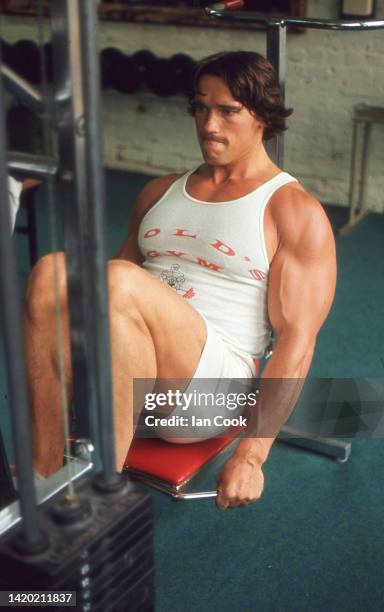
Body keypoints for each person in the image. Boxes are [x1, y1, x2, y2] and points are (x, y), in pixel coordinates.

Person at [24, 51, 336, 510]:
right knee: (52, 271)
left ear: (263, 117)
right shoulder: (160, 191)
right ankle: (44, 479)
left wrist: (251, 455)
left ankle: (100, 505)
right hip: (135, 377)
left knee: (119, 280)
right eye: (201, 108)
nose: (210, 125)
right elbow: (101, 305)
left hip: (212, 395)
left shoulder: (292, 211)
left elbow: (297, 343)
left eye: (228, 111)